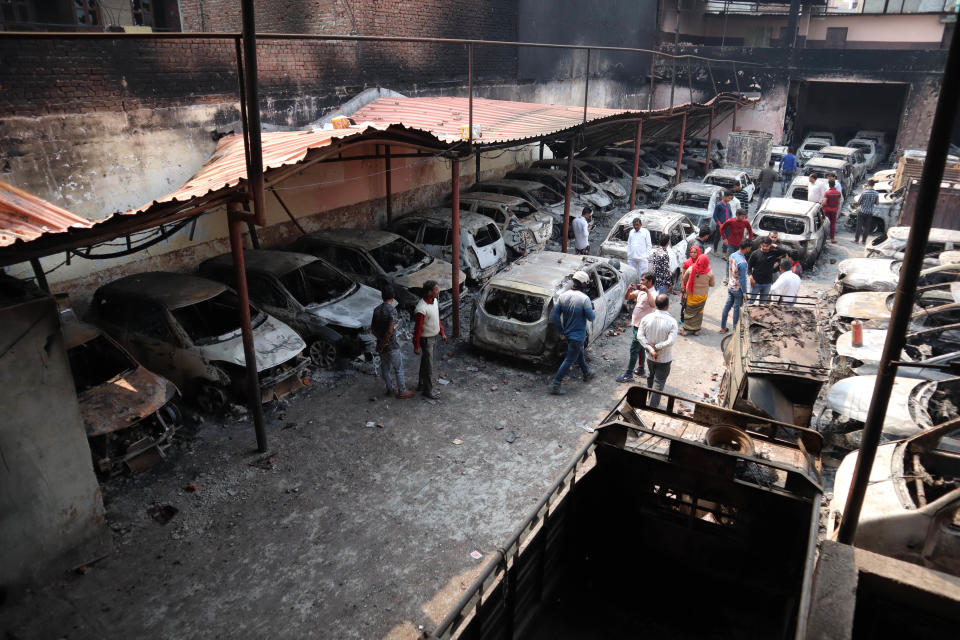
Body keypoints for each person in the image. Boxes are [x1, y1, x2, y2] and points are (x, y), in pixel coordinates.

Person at [549, 270, 595, 395]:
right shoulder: (585, 299)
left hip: (568, 333)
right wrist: (592, 309)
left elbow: (556, 315)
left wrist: (561, 331)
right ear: (584, 284)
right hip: (578, 335)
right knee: (569, 360)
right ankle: (555, 383)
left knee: (578, 353)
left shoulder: (563, 296)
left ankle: (587, 373)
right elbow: (591, 318)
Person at [371, 285, 415, 399]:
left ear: (382, 296)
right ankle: (402, 391)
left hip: (381, 346)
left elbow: (372, 329)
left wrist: (380, 342)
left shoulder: (376, 310)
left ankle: (390, 389)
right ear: (393, 296)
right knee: (398, 368)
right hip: (391, 345)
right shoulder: (392, 310)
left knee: (385, 369)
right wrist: (384, 342)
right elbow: (390, 331)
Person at [637, 294, 678, 409]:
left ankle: (650, 400)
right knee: (659, 383)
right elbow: (670, 341)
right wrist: (657, 347)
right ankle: (652, 407)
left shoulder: (646, 318)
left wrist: (651, 349)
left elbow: (640, 336)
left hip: (650, 357)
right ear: (667, 305)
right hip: (664, 358)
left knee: (651, 377)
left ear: (656, 304)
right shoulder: (672, 322)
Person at [616, 271, 656, 383]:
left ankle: (628, 374)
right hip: (637, 324)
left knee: (634, 349)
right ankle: (641, 369)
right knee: (641, 348)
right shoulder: (640, 292)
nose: (641, 282)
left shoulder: (653, 293)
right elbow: (628, 297)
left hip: (643, 327)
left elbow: (653, 304)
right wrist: (629, 289)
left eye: (643, 280)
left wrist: (647, 291)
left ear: (650, 282)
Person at [413, 280, 447, 399]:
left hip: (434, 337)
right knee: (429, 366)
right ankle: (428, 390)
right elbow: (417, 329)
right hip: (426, 340)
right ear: (429, 292)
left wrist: (442, 332)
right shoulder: (421, 309)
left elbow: (437, 318)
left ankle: (421, 384)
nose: (438, 291)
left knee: (425, 363)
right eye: (436, 289)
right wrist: (416, 345)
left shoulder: (434, 301)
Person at [720, 239, 752, 334]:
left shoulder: (732, 255)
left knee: (727, 306)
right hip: (738, 289)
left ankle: (723, 327)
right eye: (749, 248)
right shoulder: (742, 262)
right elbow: (743, 279)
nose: (750, 250)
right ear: (747, 248)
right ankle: (735, 331)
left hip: (730, 285)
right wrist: (745, 293)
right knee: (737, 309)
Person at [680, 253, 714, 336]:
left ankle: (686, 330)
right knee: (699, 311)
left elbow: (684, 278)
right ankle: (696, 330)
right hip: (702, 296)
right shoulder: (710, 273)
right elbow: (712, 284)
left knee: (688, 310)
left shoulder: (691, 268)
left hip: (691, 294)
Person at [747, 236, 788, 303]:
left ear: (770, 245)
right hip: (755, 282)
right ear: (760, 244)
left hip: (767, 283)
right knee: (750, 302)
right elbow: (749, 267)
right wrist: (751, 277)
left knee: (763, 304)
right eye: (763, 246)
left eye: (767, 246)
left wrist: (775, 246)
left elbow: (786, 252)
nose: (765, 248)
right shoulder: (755, 254)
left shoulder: (773, 253)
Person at [679, 245, 702, 323]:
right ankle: (682, 319)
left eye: (695, 252)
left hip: (696, 287)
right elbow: (683, 275)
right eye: (691, 252)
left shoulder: (701, 262)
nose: (693, 254)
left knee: (694, 304)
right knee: (685, 303)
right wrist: (682, 285)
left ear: (698, 253)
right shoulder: (687, 262)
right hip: (687, 286)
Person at [626, 216, 652, 280]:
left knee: (643, 277)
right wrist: (629, 254)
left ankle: (641, 289)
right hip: (632, 258)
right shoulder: (631, 232)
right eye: (634, 225)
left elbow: (649, 245)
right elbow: (629, 244)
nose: (636, 226)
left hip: (642, 258)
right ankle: (633, 289)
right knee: (632, 276)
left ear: (641, 225)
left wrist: (646, 256)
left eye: (637, 225)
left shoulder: (645, 232)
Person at [856, 180, 879, 245]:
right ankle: (863, 241)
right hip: (870, 212)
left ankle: (856, 240)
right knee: (866, 227)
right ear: (873, 185)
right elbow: (877, 203)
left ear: (868, 184)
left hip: (862, 211)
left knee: (859, 226)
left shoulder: (864, 192)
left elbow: (859, 202)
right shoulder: (876, 193)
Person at [822, 179, 842, 243]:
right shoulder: (838, 193)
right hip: (834, 210)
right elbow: (839, 203)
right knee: (833, 224)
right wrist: (836, 209)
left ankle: (824, 238)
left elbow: (824, 202)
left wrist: (822, 207)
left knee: (825, 224)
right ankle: (832, 238)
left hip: (827, 210)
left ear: (829, 185)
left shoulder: (827, 193)